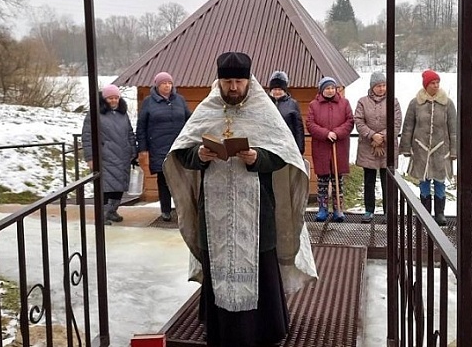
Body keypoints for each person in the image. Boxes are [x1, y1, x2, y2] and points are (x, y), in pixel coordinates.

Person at [163, 52, 316, 347]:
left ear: (249, 81)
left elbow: (285, 156)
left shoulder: (264, 110)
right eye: (227, 81)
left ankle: (267, 328)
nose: (233, 87)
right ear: (219, 81)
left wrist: (258, 157)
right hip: (215, 209)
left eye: (238, 81)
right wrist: (201, 155)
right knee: (218, 262)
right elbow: (182, 151)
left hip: (257, 208)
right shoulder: (207, 110)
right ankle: (218, 328)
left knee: (260, 263)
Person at [398, 70, 457, 226]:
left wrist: (454, 150)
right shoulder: (415, 103)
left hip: (441, 150)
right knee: (424, 182)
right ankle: (425, 213)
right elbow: (408, 126)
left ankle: (440, 214)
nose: (436, 85)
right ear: (426, 84)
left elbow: (453, 128)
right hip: (420, 149)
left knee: (440, 182)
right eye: (432, 83)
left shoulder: (448, 103)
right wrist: (405, 147)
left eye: (437, 82)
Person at [136, 71, 192, 222]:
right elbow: (141, 127)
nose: (167, 86)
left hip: (178, 146)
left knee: (180, 178)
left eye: (169, 83)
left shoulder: (180, 100)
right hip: (158, 146)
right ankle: (165, 210)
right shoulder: (148, 102)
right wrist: (142, 149)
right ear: (157, 85)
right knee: (163, 179)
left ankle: (181, 209)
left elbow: (190, 120)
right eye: (164, 83)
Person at [82, 84, 137, 226]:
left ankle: (112, 210)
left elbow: (130, 133)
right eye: (110, 98)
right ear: (104, 99)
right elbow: (87, 137)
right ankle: (102, 214)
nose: (113, 101)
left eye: (116, 98)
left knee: (119, 186)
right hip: (104, 157)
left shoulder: (123, 113)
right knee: (105, 187)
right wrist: (90, 158)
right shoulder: (94, 114)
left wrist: (133, 150)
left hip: (123, 156)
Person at [354, 72, 403, 223]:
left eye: (383, 85)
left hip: (387, 147)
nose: (381, 89)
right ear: (372, 87)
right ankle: (369, 210)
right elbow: (358, 121)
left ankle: (388, 212)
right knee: (368, 180)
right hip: (368, 147)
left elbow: (396, 123)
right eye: (378, 86)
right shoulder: (362, 102)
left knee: (387, 180)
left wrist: (381, 137)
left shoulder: (393, 102)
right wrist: (372, 135)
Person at [306, 76, 354, 222]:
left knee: (337, 180)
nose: (330, 90)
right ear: (322, 90)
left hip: (339, 146)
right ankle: (322, 209)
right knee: (322, 180)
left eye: (332, 88)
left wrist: (337, 133)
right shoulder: (314, 105)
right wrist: (326, 133)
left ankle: (338, 209)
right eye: (327, 88)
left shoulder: (344, 103)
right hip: (322, 147)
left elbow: (350, 121)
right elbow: (310, 124)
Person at [267, 70, 305, 155]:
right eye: (275, 89)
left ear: (284, 90)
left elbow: (298, 128)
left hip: (288, 146)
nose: (277, 92)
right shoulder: (264, 102)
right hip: (269, 145)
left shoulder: (292, 104)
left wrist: (300, 149)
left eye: (280, 89)